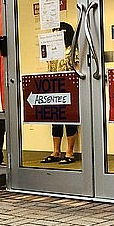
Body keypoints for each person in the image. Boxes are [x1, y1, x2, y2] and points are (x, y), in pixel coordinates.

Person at [41, 22, 78, 164]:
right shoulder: (51, 50)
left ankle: (70, 152)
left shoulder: (72, 49)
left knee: (69, 120)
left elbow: (77, 67)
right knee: (55, 120)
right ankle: (56, 151)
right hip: (53, 87)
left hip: (68, 87)